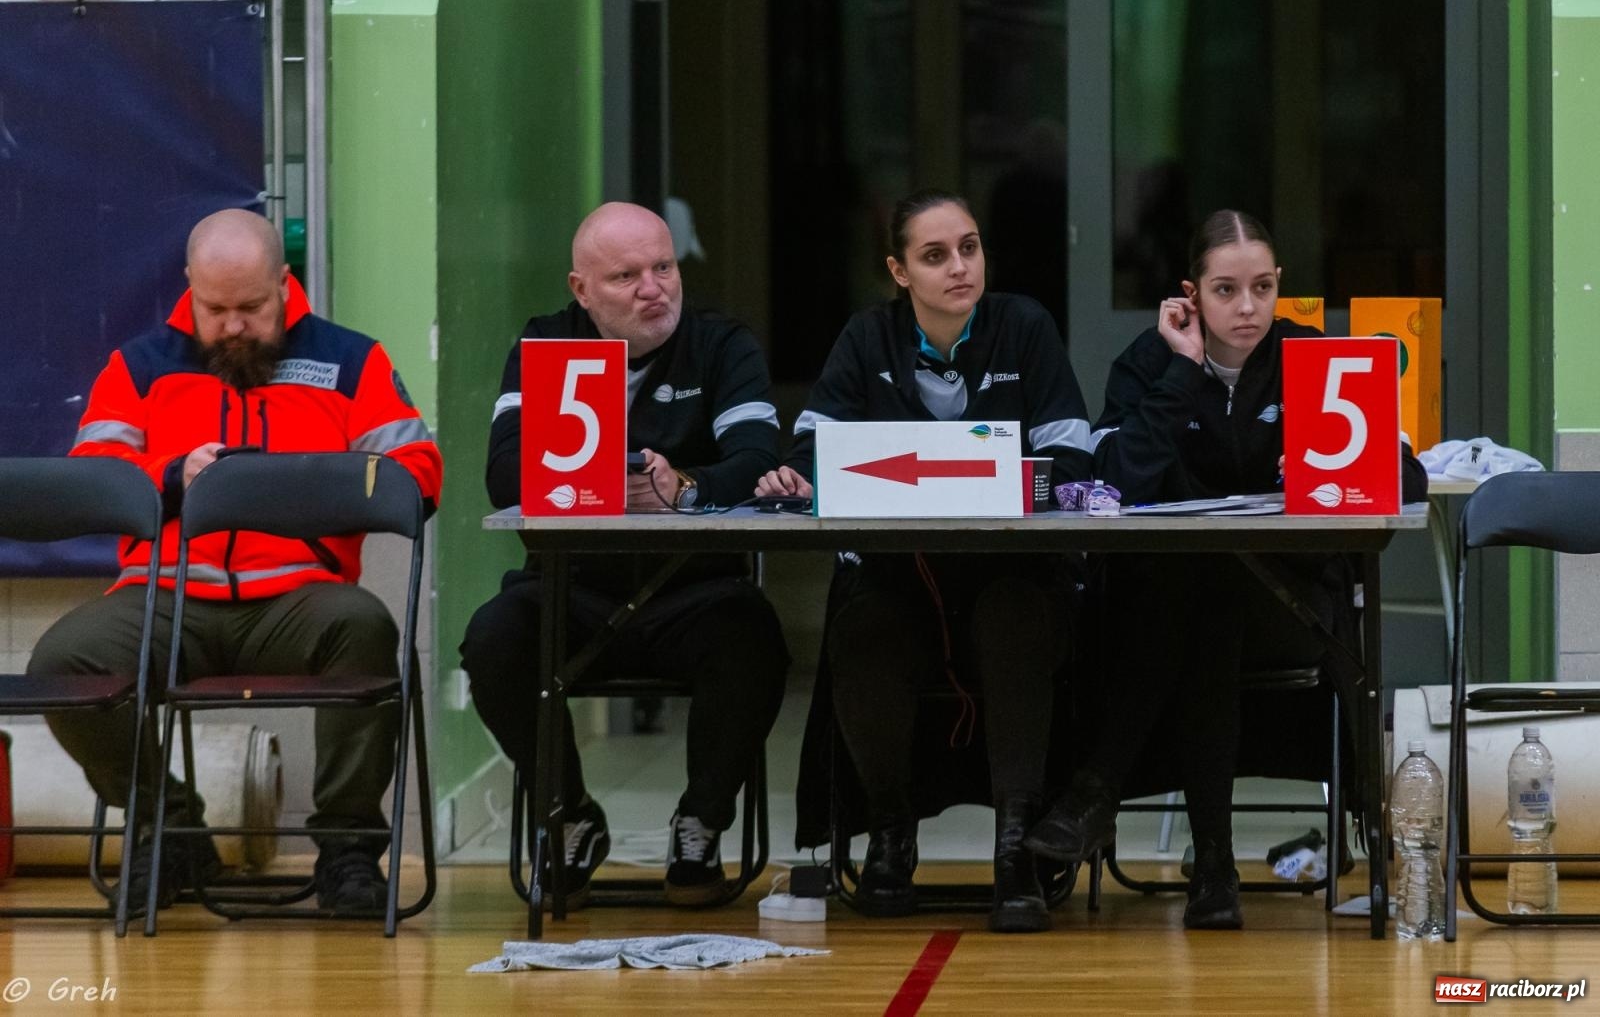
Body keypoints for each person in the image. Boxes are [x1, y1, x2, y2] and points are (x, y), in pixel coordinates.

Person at [28, 208, 444, 914]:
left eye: (251, 306)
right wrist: (169, 477)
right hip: (165, 597)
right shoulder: (138, 367)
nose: (231, 327)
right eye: (214, 308)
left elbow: (418, 473)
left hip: (299, 599)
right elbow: (94, 478)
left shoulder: (352, 360)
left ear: (285, 284)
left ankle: (347, 852)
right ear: (188, 284)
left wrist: (305, 485)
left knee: (366, 627)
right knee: (62, 660)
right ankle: (172, 827)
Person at [1024, 209, 1427, 929]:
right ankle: (1214, 870)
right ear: (1190, 295)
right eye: (1226, 290)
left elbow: (1410, 479)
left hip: (1291, 610)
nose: (1248, 309)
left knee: (1208, 590)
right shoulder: (1148, 364)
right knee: (1205, 595)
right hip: (1166, 614)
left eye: (1264, 287)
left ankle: (1098, 793)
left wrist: (1325, 466)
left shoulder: (1315, 359)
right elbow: (1110, 479)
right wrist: (1181, 372)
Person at [756, 189, 1093, 933]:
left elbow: (1074, 454)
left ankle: (1016, 848)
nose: (959, 267)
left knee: (1015, 619)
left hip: (1012, 572)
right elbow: (813, 448)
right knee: (864, 631)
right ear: (898, 270)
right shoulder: (865, 338)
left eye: (969, 248)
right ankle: (889, 831)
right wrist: (798, 475)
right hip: (900, 575)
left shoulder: (1024, 326)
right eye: (935, 255)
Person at [460, 201, 789, 907]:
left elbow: (760, 459)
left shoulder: (721, 343)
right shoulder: (545, 344)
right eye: (627, 275)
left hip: (694, 590)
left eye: (664, 267)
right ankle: (570, 815)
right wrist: (601, 475)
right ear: (582, 290)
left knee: (756, 635)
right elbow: (504, 473)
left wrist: (688, 486)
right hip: (572, 589)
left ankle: (700, 821)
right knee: (492, 640)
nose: (654, 287)